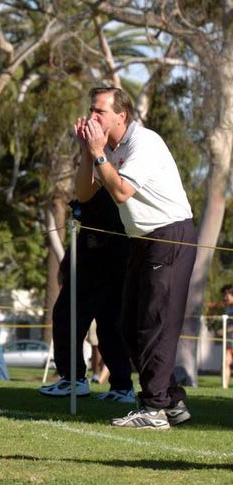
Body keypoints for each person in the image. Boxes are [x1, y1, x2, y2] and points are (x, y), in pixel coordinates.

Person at [74, 86, 196, 429]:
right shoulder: (108, 149)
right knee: (127, 325)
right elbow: (84, 193)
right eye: (91, 110)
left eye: (99, 112)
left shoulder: (144, 142)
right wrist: (89, 153)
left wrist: (98, 154)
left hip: (169, 236)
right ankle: (171, 399)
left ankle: (154, 409)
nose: (92, 117)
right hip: (141, 241)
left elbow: (122, 192)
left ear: (120, 116)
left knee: (155, 323)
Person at [38, 188, 134, 402]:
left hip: (98, 264)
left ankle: (75, 379)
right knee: (110, 326)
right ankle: (120, 386)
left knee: (69, 317)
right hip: (112, 263)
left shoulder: (109, 183)